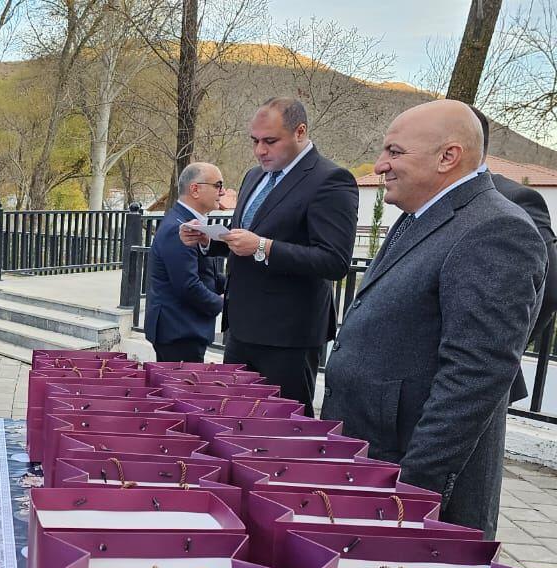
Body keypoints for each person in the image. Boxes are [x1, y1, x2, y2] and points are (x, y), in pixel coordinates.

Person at [321, 99, 547, 540]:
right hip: (374, 456)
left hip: (410, 482)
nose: (381, 164)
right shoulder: (420, 216)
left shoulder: (494, 229)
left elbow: (475, 376)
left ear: (448, 157)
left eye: (394, 152)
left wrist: (414, 490)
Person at [181, 97, 358, 416]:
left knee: (283, 430)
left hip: (288, 336)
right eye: (255, 141)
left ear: (300, 132)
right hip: (240, 329)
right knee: (233, 419)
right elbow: (243, 237)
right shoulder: (254, 176)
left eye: (270, 141)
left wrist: (264, 247)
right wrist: (209, 240)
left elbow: (334, 261)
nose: (260, 150)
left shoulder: (331, 179)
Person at [468, 107, 557, 404]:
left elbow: (551, 283)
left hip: (474, 380)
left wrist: (504, 349)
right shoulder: (420, 199)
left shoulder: (515, 198)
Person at [147, 162, 226, 362]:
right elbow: (187, 285)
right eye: (217, 185)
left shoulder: (191, 222)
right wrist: (224, 303)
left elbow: (208, 274)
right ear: (195, 189)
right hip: (179, 332)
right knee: (180, 391)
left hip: (184, 329)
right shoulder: (180, 228)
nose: (223, 192)